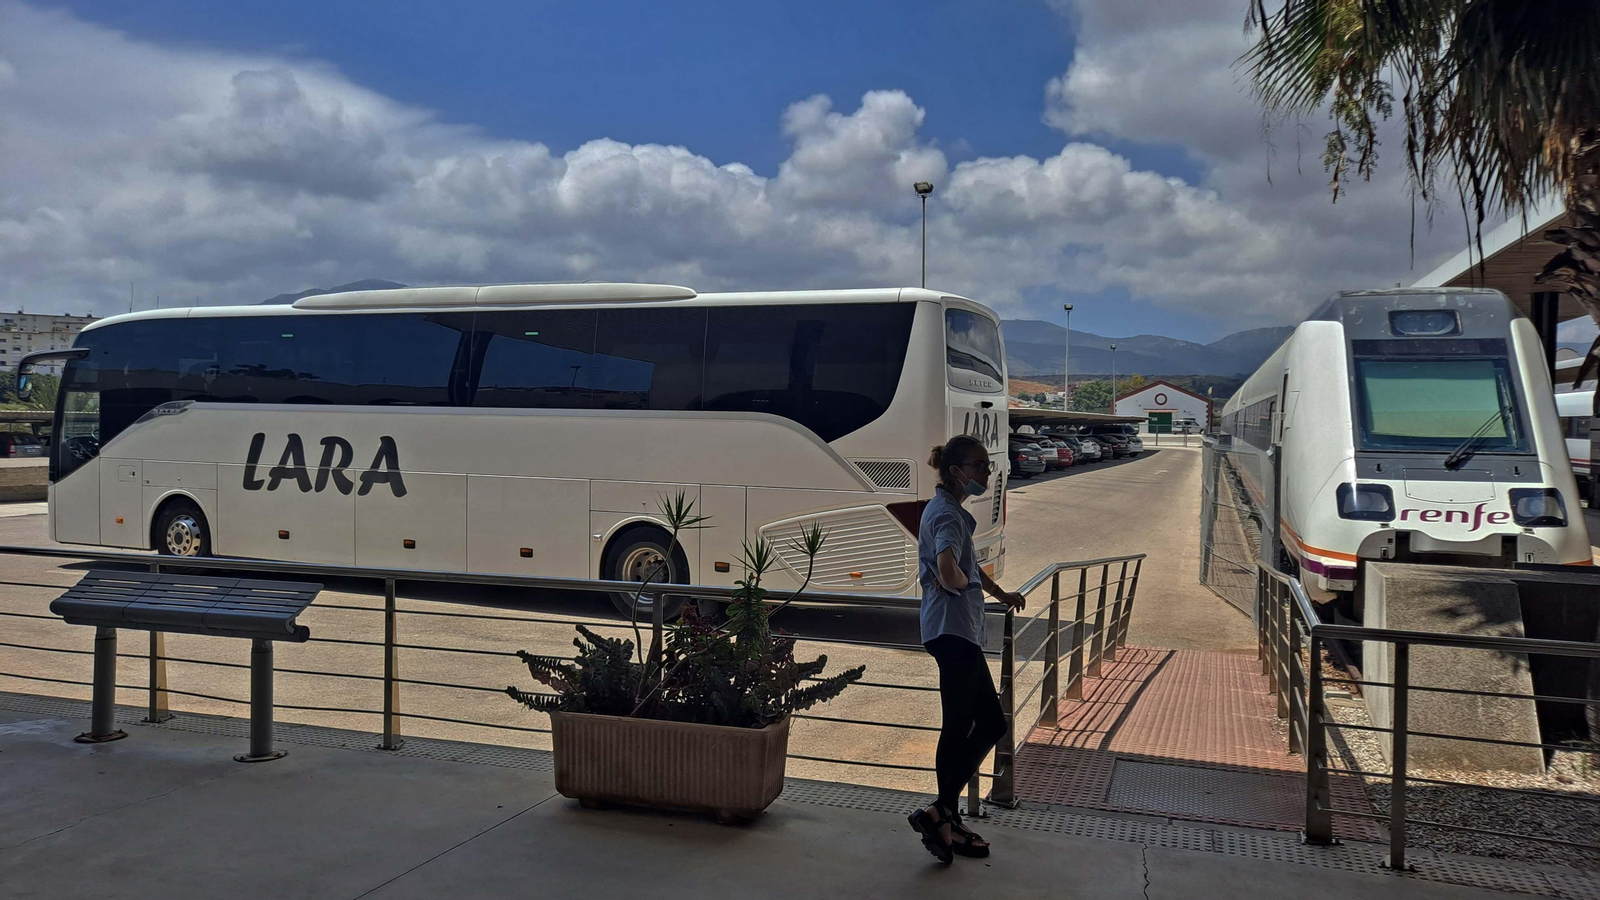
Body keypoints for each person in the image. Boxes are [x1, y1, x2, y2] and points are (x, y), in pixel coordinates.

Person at [907, 434, 1025, 864]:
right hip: (953, 630)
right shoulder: (948, 516)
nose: (986, 474)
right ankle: (944, 814)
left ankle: (944, 814)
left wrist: (997, 592)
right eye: (979, 467)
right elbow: (948, 567)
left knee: (983, 724)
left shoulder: (948, 510)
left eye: (987, 467)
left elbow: (967, 566)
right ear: (957, 472)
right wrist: (959, 583)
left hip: (957, 631)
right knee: (966, 724)